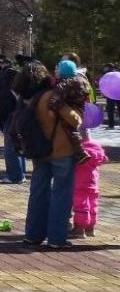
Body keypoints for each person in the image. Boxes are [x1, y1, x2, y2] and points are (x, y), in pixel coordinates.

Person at [23, 63, 82, 250]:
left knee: (38, 193)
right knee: (61, 195)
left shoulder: (36, 98)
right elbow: (76, 120)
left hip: (40, 151)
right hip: (61, 152)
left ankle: (33, 235)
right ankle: (57, 238)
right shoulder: (55, 99)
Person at [49, 60, 90, 165]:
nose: (55, 70)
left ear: (63, 71)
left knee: (70, 131)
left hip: (69, 115)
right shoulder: (82, 81)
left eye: (57, 68)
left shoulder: (63, 85)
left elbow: (55, 102)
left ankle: (80, 154)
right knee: (75, 130)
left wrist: (52, 109)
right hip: (80, 111)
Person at [71, 140, 106, 239]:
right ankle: (90, 228)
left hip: (80, 185)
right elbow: (104, 159)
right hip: (93, 185)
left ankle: (79, 229)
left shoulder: (81, 153)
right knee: (93, 205)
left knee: (81, 206)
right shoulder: (97, 154)